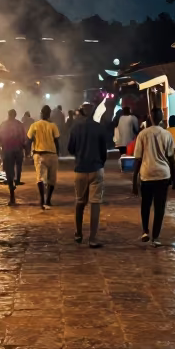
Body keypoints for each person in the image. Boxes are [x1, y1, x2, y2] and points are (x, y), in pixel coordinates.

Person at [132, 107, 175, 246]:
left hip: (146, 174)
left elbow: (138, 159)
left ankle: (145, 231)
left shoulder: (143, 134)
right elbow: (172, 159)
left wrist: (134, 181)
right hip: (162, 175)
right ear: (161, 118)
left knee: (145, 204)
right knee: (160, 207)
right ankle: (156, 237)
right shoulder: (167, 135)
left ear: (150, 117)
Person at [68, 103, 110, 247]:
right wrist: (100, 163)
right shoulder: (99, 128)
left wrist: (80, 155)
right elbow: (104, 151)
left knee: (80, 202)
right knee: (95, 204)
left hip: (80, 169)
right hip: (96, 168)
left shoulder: (75, 127)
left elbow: (70, 149)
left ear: (81, 112)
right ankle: (92, 239)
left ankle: (78, 233)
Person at [27, 104, 61, 208]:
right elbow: (56, 141)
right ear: (49, 114)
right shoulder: (53, 126)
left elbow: (29, 139)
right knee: (52, 179)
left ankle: (42, 200)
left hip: (39, 155)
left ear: (41, 114)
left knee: (40, 178)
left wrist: (28, 153)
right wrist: (57, 154)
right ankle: (48, 201)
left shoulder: (34, 125)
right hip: (52, 154)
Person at [0, 108, 27, 204]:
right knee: (18, 166)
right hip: (18, 150)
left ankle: (12, 193)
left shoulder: (3, 124)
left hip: (7, 150)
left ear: (8, 115)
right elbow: (24, 138)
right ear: (15, 115)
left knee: (8, 170)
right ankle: (17, 180)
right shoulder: (20, 124)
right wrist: (25, 149)